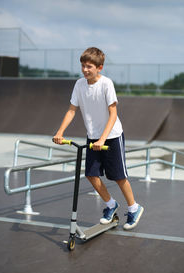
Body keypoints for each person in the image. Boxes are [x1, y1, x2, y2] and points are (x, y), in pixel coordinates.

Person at [53, 47, 144, 230]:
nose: (85, 70)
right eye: (83, 66)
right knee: (91, 174)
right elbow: (72, 110)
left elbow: (113, 113)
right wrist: (60, 132)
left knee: (118, 176)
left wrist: (102, 139)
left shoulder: (106, 84)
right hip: (93, 137)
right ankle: (111, 205)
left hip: (111, 136)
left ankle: (134, 208)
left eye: (89, 66)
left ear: (99, 67)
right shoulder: (79, 84)